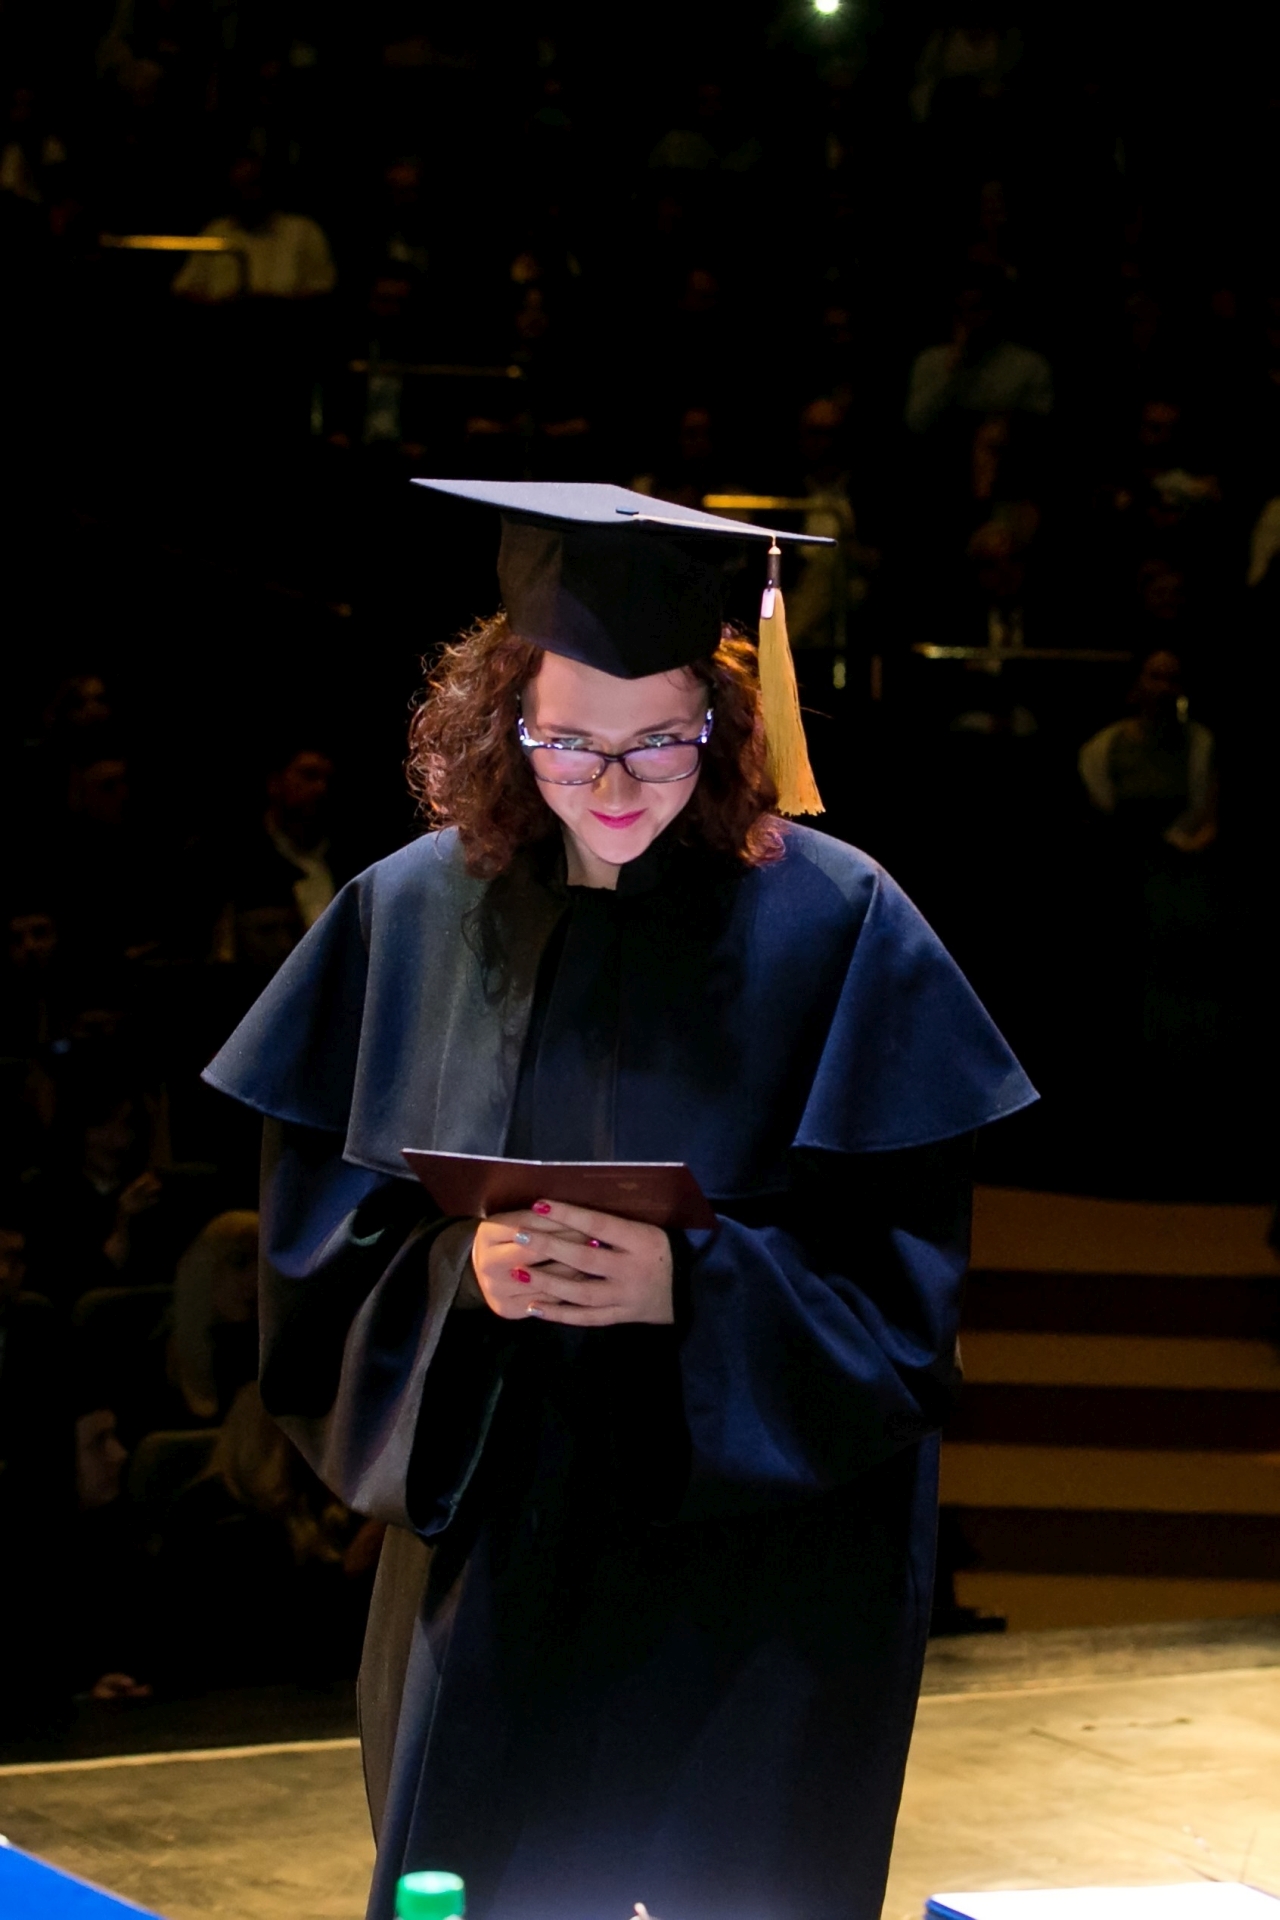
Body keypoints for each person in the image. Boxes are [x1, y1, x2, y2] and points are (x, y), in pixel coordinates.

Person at [203, 481, 1035, 1920]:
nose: (612, 783)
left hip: (760, 1586)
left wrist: (692, 1291)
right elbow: (315, 1268)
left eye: (658, 740)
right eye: (569, 742)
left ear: (723, 725)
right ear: (502, 726)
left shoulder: (840, 924)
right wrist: (458, 1277)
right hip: (500, 1557)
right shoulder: (412, 915)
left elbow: (907, 1317)